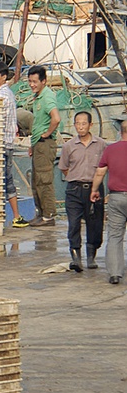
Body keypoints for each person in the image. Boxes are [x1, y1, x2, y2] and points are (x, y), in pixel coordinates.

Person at [59, 111, 106, 272]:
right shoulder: (68, 146)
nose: (80, 127)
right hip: (74, 189)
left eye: (84, 123)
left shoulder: (101, 145)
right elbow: (64, 168)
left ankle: (91, 255)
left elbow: (105, 166)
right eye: (77, 124)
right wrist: (76, 176)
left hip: (95, 189)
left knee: (95, 224)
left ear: (91, 125)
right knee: (73, 224)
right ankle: (76, 257)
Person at [0, 61, 28, 228]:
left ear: (3, 77)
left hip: (2, 144)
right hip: (6, 143)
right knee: (6, 179)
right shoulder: (4, 93)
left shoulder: (2, 96)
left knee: (5, 179)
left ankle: (15, 216)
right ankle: (14, 216)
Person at [90, 118, 127, 284]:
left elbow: (100, 172)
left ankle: (114, 274)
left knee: (115, 236)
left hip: (117, 197)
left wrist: (94, 190)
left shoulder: (110, 149)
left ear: (120, 132)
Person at [27, 65, 61, 226]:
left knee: (44, 180)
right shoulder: (38, 97)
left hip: (45, 144)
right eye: (30, 81)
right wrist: (33, 144)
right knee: (36, 181)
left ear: (43, 81)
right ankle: (41, 213)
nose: (32, 85)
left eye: (35, 82)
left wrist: (46, 134)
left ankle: (48, 215)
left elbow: (56, 118)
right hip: (38, 144)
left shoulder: (47, 97)